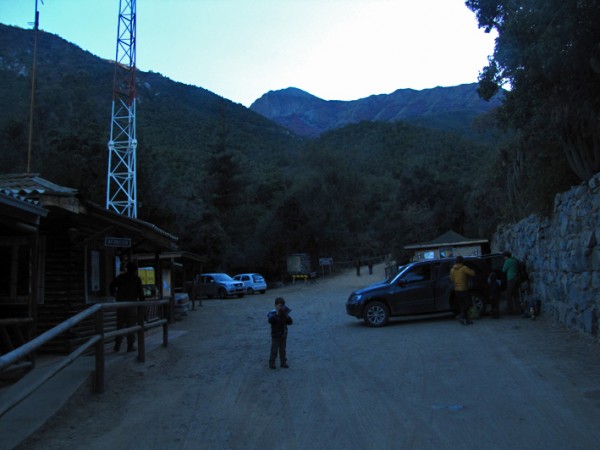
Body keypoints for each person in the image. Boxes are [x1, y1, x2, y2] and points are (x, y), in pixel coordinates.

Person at [110, 261, 145, 352]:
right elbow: (141, 294)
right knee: (131, 325)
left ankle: (117, 345)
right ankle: (130, 346)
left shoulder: (121, 277)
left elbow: (112, 286)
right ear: (134, 270)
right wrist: (142, 304)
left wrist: (114, 294)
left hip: (121, 304)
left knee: (120, 325)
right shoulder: (136, 279)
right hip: (131, 304)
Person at [267, 297, 293, 369]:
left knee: (282, 350)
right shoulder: (272, 313)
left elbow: (290, 322)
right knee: (274, 350)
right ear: (275, 305)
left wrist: (287, 316)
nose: (280, 307)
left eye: (282, 306)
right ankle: (271, 364)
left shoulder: (284, 313)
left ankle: (283, 363)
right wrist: (277, 314)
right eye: (279, 305)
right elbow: (270, 321)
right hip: (275, 334)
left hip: (283, 334)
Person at [450, 255, 476, 325]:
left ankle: (466, 320)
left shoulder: (452, 270)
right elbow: (473, 273)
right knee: (469, 304)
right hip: (464, 289)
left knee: (462, 305)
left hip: (456, 290)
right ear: (462, 261)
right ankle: (461, 316)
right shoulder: (464, 268)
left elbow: (452, 279)